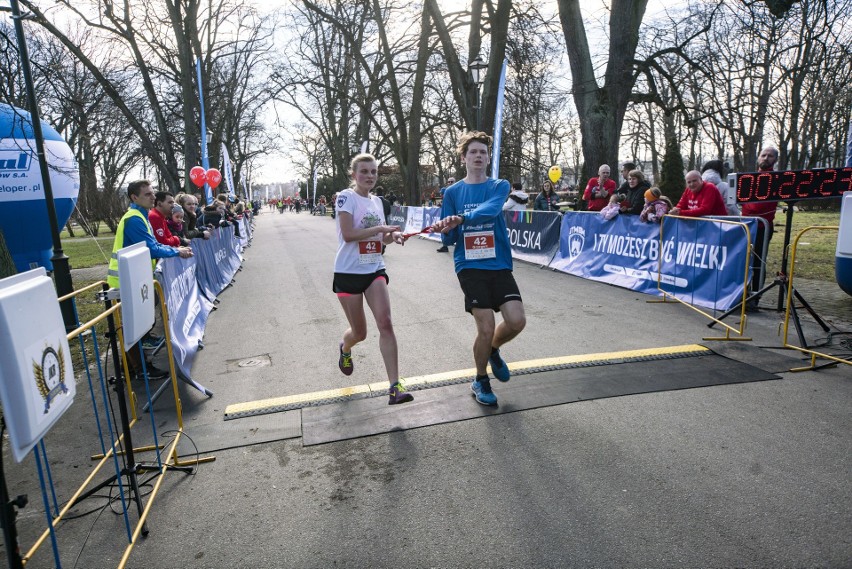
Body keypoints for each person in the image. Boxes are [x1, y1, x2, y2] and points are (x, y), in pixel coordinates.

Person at [431, 131, 526, 407]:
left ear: (488, 158)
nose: (479, 156)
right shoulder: (452, 192)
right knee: (486, 326)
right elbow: (448, 239)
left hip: (497, 262)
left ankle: (493, 350)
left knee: (517, 321)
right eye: (473, 152)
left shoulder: (499, 185)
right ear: (463, 158)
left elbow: (491, 210)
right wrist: (446, 228)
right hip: (469, 265)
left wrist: (463, 217)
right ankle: (480, 379)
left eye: (483, 152)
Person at [333, 153, 412, 406]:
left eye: (374, 172)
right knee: (360, 333)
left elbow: (382, 238)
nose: (370, 176)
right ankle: (345, 348)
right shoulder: (346, 197)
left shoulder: (378, 202)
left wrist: (393, 237)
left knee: (386, 323)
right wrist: (380, 230)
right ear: (353, 174)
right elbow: (348, 234)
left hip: (374, 268)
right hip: (348, 272)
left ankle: (394, 386)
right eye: (364, 171)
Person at [106, 180, 193, 382]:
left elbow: (152, 245)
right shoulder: (135, 219)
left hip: (134, 278)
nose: (153, 197)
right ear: (134, 198)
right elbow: (151, 247)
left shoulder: (141, 216)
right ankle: (140, 370)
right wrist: (177, 251)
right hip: (124, 282)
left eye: (152, 193)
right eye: (147, 194)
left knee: (135, 327)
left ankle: (127, 370)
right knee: (133, 329)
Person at [741, 147, 780, 305]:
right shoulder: (749, 178)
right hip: (746, 227)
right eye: (763, 155)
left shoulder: (774, 179)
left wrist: (746, 204)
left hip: (762, 228)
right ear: (758, 157)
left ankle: (754, 296)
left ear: (775, 160)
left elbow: (757, 207)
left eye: (769, 156)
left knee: (758, 262)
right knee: (742, 260)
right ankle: (741, 292)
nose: (765, 158)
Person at [436, 177, 457, 252]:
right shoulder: (445, 190)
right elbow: (444, 200)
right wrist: (441, 204)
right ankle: (445, 246)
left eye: (452, 182)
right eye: (449, 182)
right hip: (445, 212)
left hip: (455, 213)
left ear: (455, 182)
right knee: (444, 228)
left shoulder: (458, 190)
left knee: (457, 229)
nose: (450, 183)